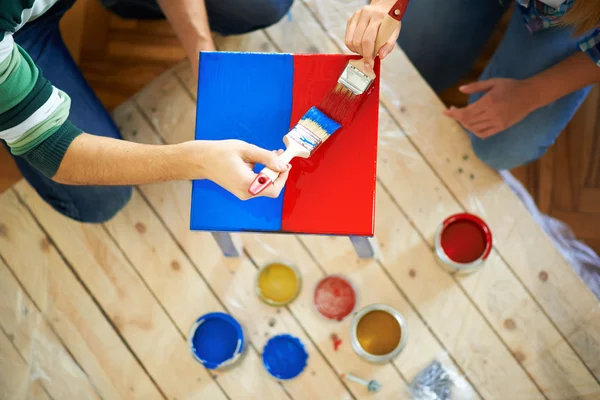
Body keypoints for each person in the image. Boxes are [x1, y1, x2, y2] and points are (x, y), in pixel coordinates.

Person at [0, 0, 293, 223]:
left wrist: (206, 60)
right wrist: (197, 161)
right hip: (17, 38)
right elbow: (52, 146)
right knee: (101, 200)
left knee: (264, 6)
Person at [345, 0, 600, 170]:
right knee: (412, 58)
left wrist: (532, 94)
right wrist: (386, 5)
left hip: (572, 20)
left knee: (501, 146)